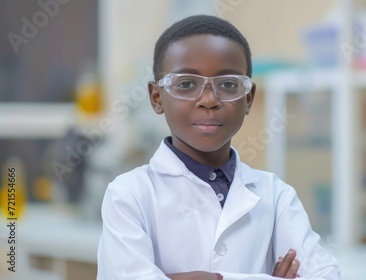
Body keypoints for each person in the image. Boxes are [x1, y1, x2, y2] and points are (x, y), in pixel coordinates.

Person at [97, 15, 340, 280]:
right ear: (157, 98)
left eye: (227, 85)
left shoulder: (276, 195)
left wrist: (213, 278)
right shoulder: (129, 195)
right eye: (187, 84)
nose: (209, 100)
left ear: (248, 98)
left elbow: (327, 276)